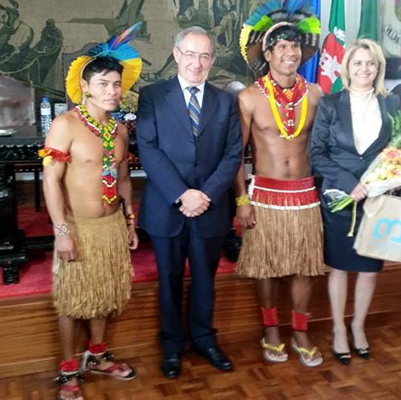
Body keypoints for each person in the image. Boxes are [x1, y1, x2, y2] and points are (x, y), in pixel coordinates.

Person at [40, 25, 144, 400]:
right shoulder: (65, 125)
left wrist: (130, 220)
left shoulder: (119, 131)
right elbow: (51, 180)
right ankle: (68, 370)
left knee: (104, 294)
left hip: (111, 226)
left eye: (116, 84)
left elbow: (124, 178)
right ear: (85, 86)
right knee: (72, 301)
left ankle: (97, 356)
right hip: (78, 227)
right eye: (102, 83)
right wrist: (61, 230)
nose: (112, 91)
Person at [136, 26, 242, 379]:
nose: (197, 63)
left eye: (205, 56)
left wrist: (205, 194)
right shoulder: (152, 96)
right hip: (168, 205)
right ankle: (171, 345)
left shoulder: (226, 101)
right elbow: (148, 150)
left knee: (205, 278)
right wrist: (183, 194)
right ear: (177, 54)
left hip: (210, 206)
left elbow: (232, 154)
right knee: (168, 278)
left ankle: (204, 338)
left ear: (213, 60)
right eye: (191, 54)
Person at [234, 0, 326, 368]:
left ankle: (300, 331)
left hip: (305, 194)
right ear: (268, 53)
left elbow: (327, 147)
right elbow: (235, 156)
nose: (291, 53)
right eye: (282, 47)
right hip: (266, 195)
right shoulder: (250, 97)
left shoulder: (317, 94)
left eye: (295, 47)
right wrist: (242, 202)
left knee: (305, 267)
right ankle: (270, 329)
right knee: (267, 267)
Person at [309, 39, 400, 365]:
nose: (364, 69)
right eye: (358, 63)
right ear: (347, 67)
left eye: (370, 63)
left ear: (378, 68)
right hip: (340, 197)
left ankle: (358, 327)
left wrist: (385, 179)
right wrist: (350, 184)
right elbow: (316, 154)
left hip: (377, 199)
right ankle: (337, 329)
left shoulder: (392, 104)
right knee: (341, 267)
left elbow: (397, 151)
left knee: (370, 269)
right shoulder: (331, 104)